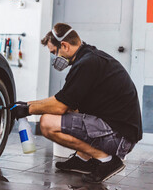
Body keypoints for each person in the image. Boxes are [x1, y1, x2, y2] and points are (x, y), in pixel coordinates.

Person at [9, 23, 142, 183]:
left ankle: (106, 160)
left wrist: (29, 109)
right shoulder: (90, 57)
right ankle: (83, 160)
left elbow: (60, 105)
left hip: (119, 137)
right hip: (120, 132)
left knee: (46, 122)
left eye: (53, 52)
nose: (54, 58)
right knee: (71, 111)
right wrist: (28, 103)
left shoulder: (86, 63)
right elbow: (67, 101)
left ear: (64, 45)